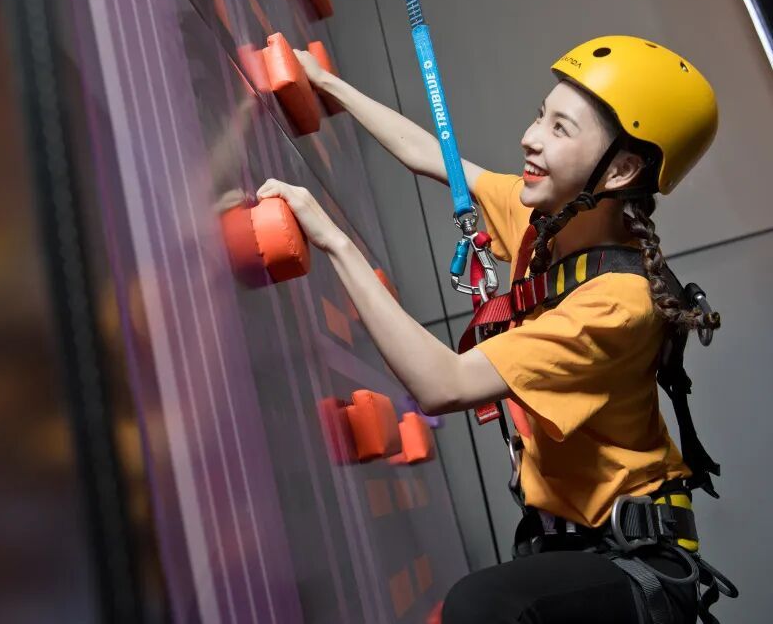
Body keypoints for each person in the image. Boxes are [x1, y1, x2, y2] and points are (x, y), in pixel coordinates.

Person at [257, 36, 735, 623]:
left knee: (482, 606)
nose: (530, 137)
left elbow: (445, 385)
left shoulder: (618, 304)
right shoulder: (545, 222)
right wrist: (327, 82)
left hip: (635, 562)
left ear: (621, 169)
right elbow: (432, 157)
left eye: (560, 129)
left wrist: (333, 241)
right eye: (541, 115)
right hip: (568, 548)